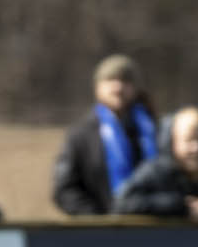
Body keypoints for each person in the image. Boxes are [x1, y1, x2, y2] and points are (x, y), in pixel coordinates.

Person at [52, 55, 158, 215]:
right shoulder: (80, 135)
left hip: (152, 229)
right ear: (97, 87)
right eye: (110, 80)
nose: (118, 87)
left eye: (125, 80)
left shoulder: (152, 131)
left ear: (136, 88)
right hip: (97, 231)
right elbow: (65, 189)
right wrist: (98, 221)